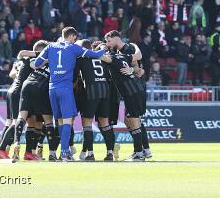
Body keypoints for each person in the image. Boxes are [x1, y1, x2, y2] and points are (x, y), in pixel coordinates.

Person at [30, 27, 107, 161]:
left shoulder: (50, 47)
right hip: (65, 89)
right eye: (74, 38)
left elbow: (36, 64)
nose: (75, 41)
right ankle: (65, 152)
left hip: (52, 88)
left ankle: (62, 153)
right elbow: (95, 55)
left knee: (59, 121)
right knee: (67, 121)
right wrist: (104, 49)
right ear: (72, 37)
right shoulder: (73, 48)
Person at [103, 30, 150, 161]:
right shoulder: (119, 53)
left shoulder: (128, 48)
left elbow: (139, 70)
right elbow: (138, 56)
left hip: (134, 88)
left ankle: (141, 152)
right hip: (131, 90)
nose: (107, 44)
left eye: (109, 40)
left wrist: (132, 70)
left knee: (135, 120)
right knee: (129, 120)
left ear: (116, 38)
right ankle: (143, 150)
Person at [76, 38, 120, 162]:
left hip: (91, 92)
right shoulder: (101, 57)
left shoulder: (82, 58)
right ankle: (110, 153)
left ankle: (90, 154)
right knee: (105, 124)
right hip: (105, 92)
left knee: (87, 123)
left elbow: (75, 77)